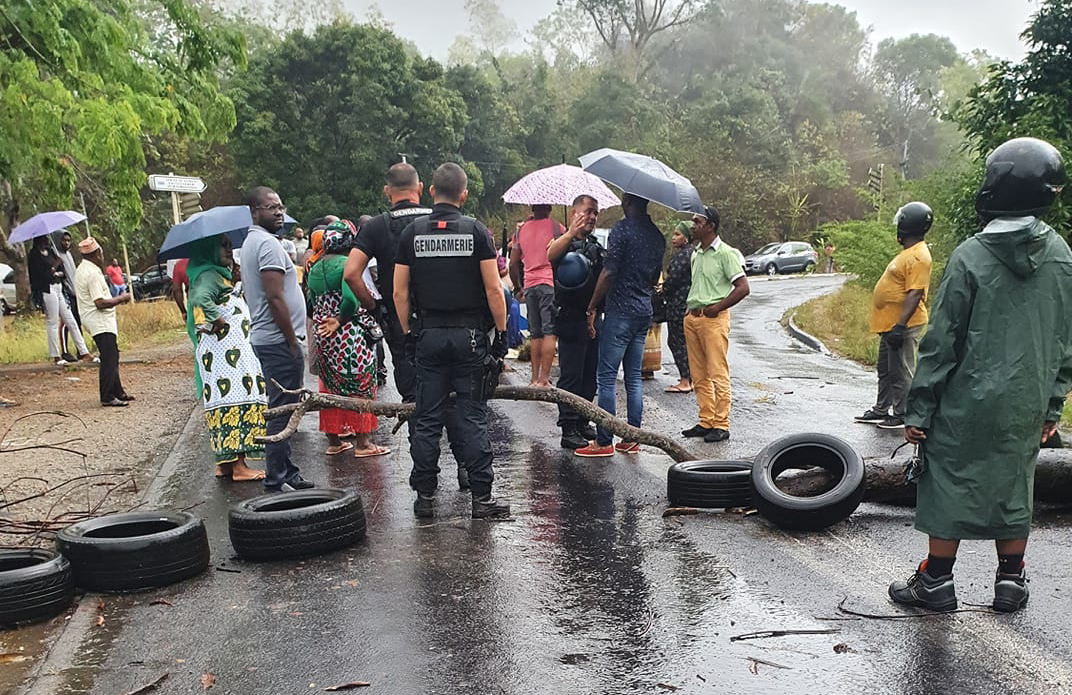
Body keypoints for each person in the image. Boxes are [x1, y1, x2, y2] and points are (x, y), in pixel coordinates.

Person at [889, 137, 1072, 614]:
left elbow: (942, 341)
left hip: (964, 399)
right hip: (1026, 400)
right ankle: (1011, 580)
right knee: (1015, 479)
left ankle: (936, 580)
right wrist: (1052, 404)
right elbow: (1064, 342)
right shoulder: (1061, 256)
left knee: (947, 476)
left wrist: (920, 408)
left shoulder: (971, 255)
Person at [393, 162, 510, 519]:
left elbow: (399, 293)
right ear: (464, 194)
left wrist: (409, 335)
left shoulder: (412, 233)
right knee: (472, 415)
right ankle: (481, 499)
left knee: (427, 418)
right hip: (469, 337)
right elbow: (494, 289)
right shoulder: (476, 232)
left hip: (428, 335)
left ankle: (425, 498)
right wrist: (501, 337)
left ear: (430, 190)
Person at [345, 162, 470, 490]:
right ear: (420, 189)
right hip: (446, 320)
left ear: (387, 191)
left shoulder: (374, 227)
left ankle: (425, 485)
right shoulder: (437, 221)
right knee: (455, 396)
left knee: (417, 402)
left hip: (401, 326)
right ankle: (466, 470)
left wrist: (376, 307)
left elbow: (351, 273)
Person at [574, 193, 665, 457]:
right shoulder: (657, 236)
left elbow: (609, 271)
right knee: (633, 377)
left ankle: (604, 441)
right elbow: (653, 275)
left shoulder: (622, 230)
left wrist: (592, 304)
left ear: (628, 204)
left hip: (620, 312)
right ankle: (632, 437)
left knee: (606, 378)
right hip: (643, 311)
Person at [240, 186, 316, 492]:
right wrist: (290, 341)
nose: (279, 212)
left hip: (269, 338)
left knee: (285, 406)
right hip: (277, 340)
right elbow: (274, 297)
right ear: (255, 211)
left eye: (280, 206)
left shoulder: (253, 242)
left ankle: (287, 471)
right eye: (271, 207)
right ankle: (276, 479)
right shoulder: (267, 245)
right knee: (283, 409)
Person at [184, 235, 266, 482]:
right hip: (226, 357)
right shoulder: (208, 275)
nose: (229, 250)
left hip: (222, 355)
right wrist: (216, 319)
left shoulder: (215, 274)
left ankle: (226, 464)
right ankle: (240, 468)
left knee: (223, 400)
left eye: (230, 245)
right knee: (235, 399)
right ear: (208, 249)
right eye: (223, 246)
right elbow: (200, 299)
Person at [306, 220, 390, 458]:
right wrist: (340, 320)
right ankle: (363, 443)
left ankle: (334, 441)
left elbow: (311, 304)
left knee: (329, 386)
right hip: (347, 333)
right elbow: (350, 301)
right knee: (361, 383)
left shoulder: (315, 268)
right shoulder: (346, 265)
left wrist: (326, 320)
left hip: (323, 334)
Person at [854, 202, 934, 430]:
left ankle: (902, 413)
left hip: (903, 326)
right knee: (886, 369)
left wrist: (900, 325)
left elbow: (915, 292)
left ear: (907, 224)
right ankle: (882, 409)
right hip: (889, 325)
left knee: (901, 371)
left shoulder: (919, 256)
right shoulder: (909, 253)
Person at [680, 206, 750, 443]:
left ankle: (721, 423)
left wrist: (718, 307)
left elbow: (743, 287)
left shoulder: (725, 254)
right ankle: (706, 419)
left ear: (710, 226)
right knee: (698, 373)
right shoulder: (696, 253)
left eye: (697, 222)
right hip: (693, 318)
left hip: (713, 319)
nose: (693, 226)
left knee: (716, 371)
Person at [547, 194, 604, 450]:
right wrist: (570, 234)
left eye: (595, 213)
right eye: (587, 211)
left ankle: (582, 419)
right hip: (569, 317)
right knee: (571, 375)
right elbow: (550, 255)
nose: (591, 217)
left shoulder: (594, 245)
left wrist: (595, 311)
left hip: (591, 316)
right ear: (573, 213)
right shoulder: (562, 242)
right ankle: (568, 426)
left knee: (589, 374)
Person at [74, 238, 133, 406]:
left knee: (112, 354)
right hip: (99, 320)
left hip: (96, 319)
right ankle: (107, 395)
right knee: (109, 357)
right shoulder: (92, 273)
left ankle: (118, 391)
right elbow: (99, 302)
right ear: (97, 253)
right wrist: (121, 298)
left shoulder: (84, 269)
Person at [510, 204, 562, 387]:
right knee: (549, 331)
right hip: (549, 283)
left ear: (532, 207)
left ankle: (533, 379)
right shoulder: (557, 228)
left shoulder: (521, 230)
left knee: (536, 332)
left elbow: (513, 263)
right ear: (549, 207)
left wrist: (518, 287)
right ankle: (544, 379)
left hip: (530, 285)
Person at [29, 235, 92, 365]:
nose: (47, 239)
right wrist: (52, 270)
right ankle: (56, 355)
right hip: (47, 290)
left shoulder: (51, 252)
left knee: (71, 320)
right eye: (44, 238)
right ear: (39, 239)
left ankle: (84, 351)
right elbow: (39, 275)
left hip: (58, 287)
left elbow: (60, 268)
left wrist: (55, 270)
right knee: (52, 322)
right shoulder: (34, 256)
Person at [663, 221, 694, 393]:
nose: (673, 238)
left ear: (687, 237)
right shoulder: (692, 253)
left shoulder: (684, 256)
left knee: (676, 341)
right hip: (685, 302)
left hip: (678, 304)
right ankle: (691, 377)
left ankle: (685, 379)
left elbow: (672, 281)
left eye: (678, 234)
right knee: (684, 341)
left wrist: (663, 290)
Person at [57, 231, 83, 361]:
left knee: (77, 322)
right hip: (65, 293)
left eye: (68, 240)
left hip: (75, 293)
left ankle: (81, 350)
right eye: (64, 240)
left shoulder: (69, 254)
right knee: (66, 323)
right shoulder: (57, 255)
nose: (66, 243)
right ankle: (64, 351)